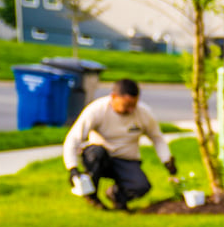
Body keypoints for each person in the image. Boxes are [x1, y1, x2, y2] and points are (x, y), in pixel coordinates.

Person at [63, 78, 177, 211]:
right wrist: (72, 168)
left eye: (133, 105)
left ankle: (116, 197)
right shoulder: (96, 110)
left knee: (141, 186)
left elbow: (157, 138)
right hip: (101, 158)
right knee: (95, 153)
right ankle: (91, 196)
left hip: (127, 160)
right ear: (113, 97)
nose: (130, 110)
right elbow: (73, 139)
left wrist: (166, 159)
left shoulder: (144, 113)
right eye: (126, 105)